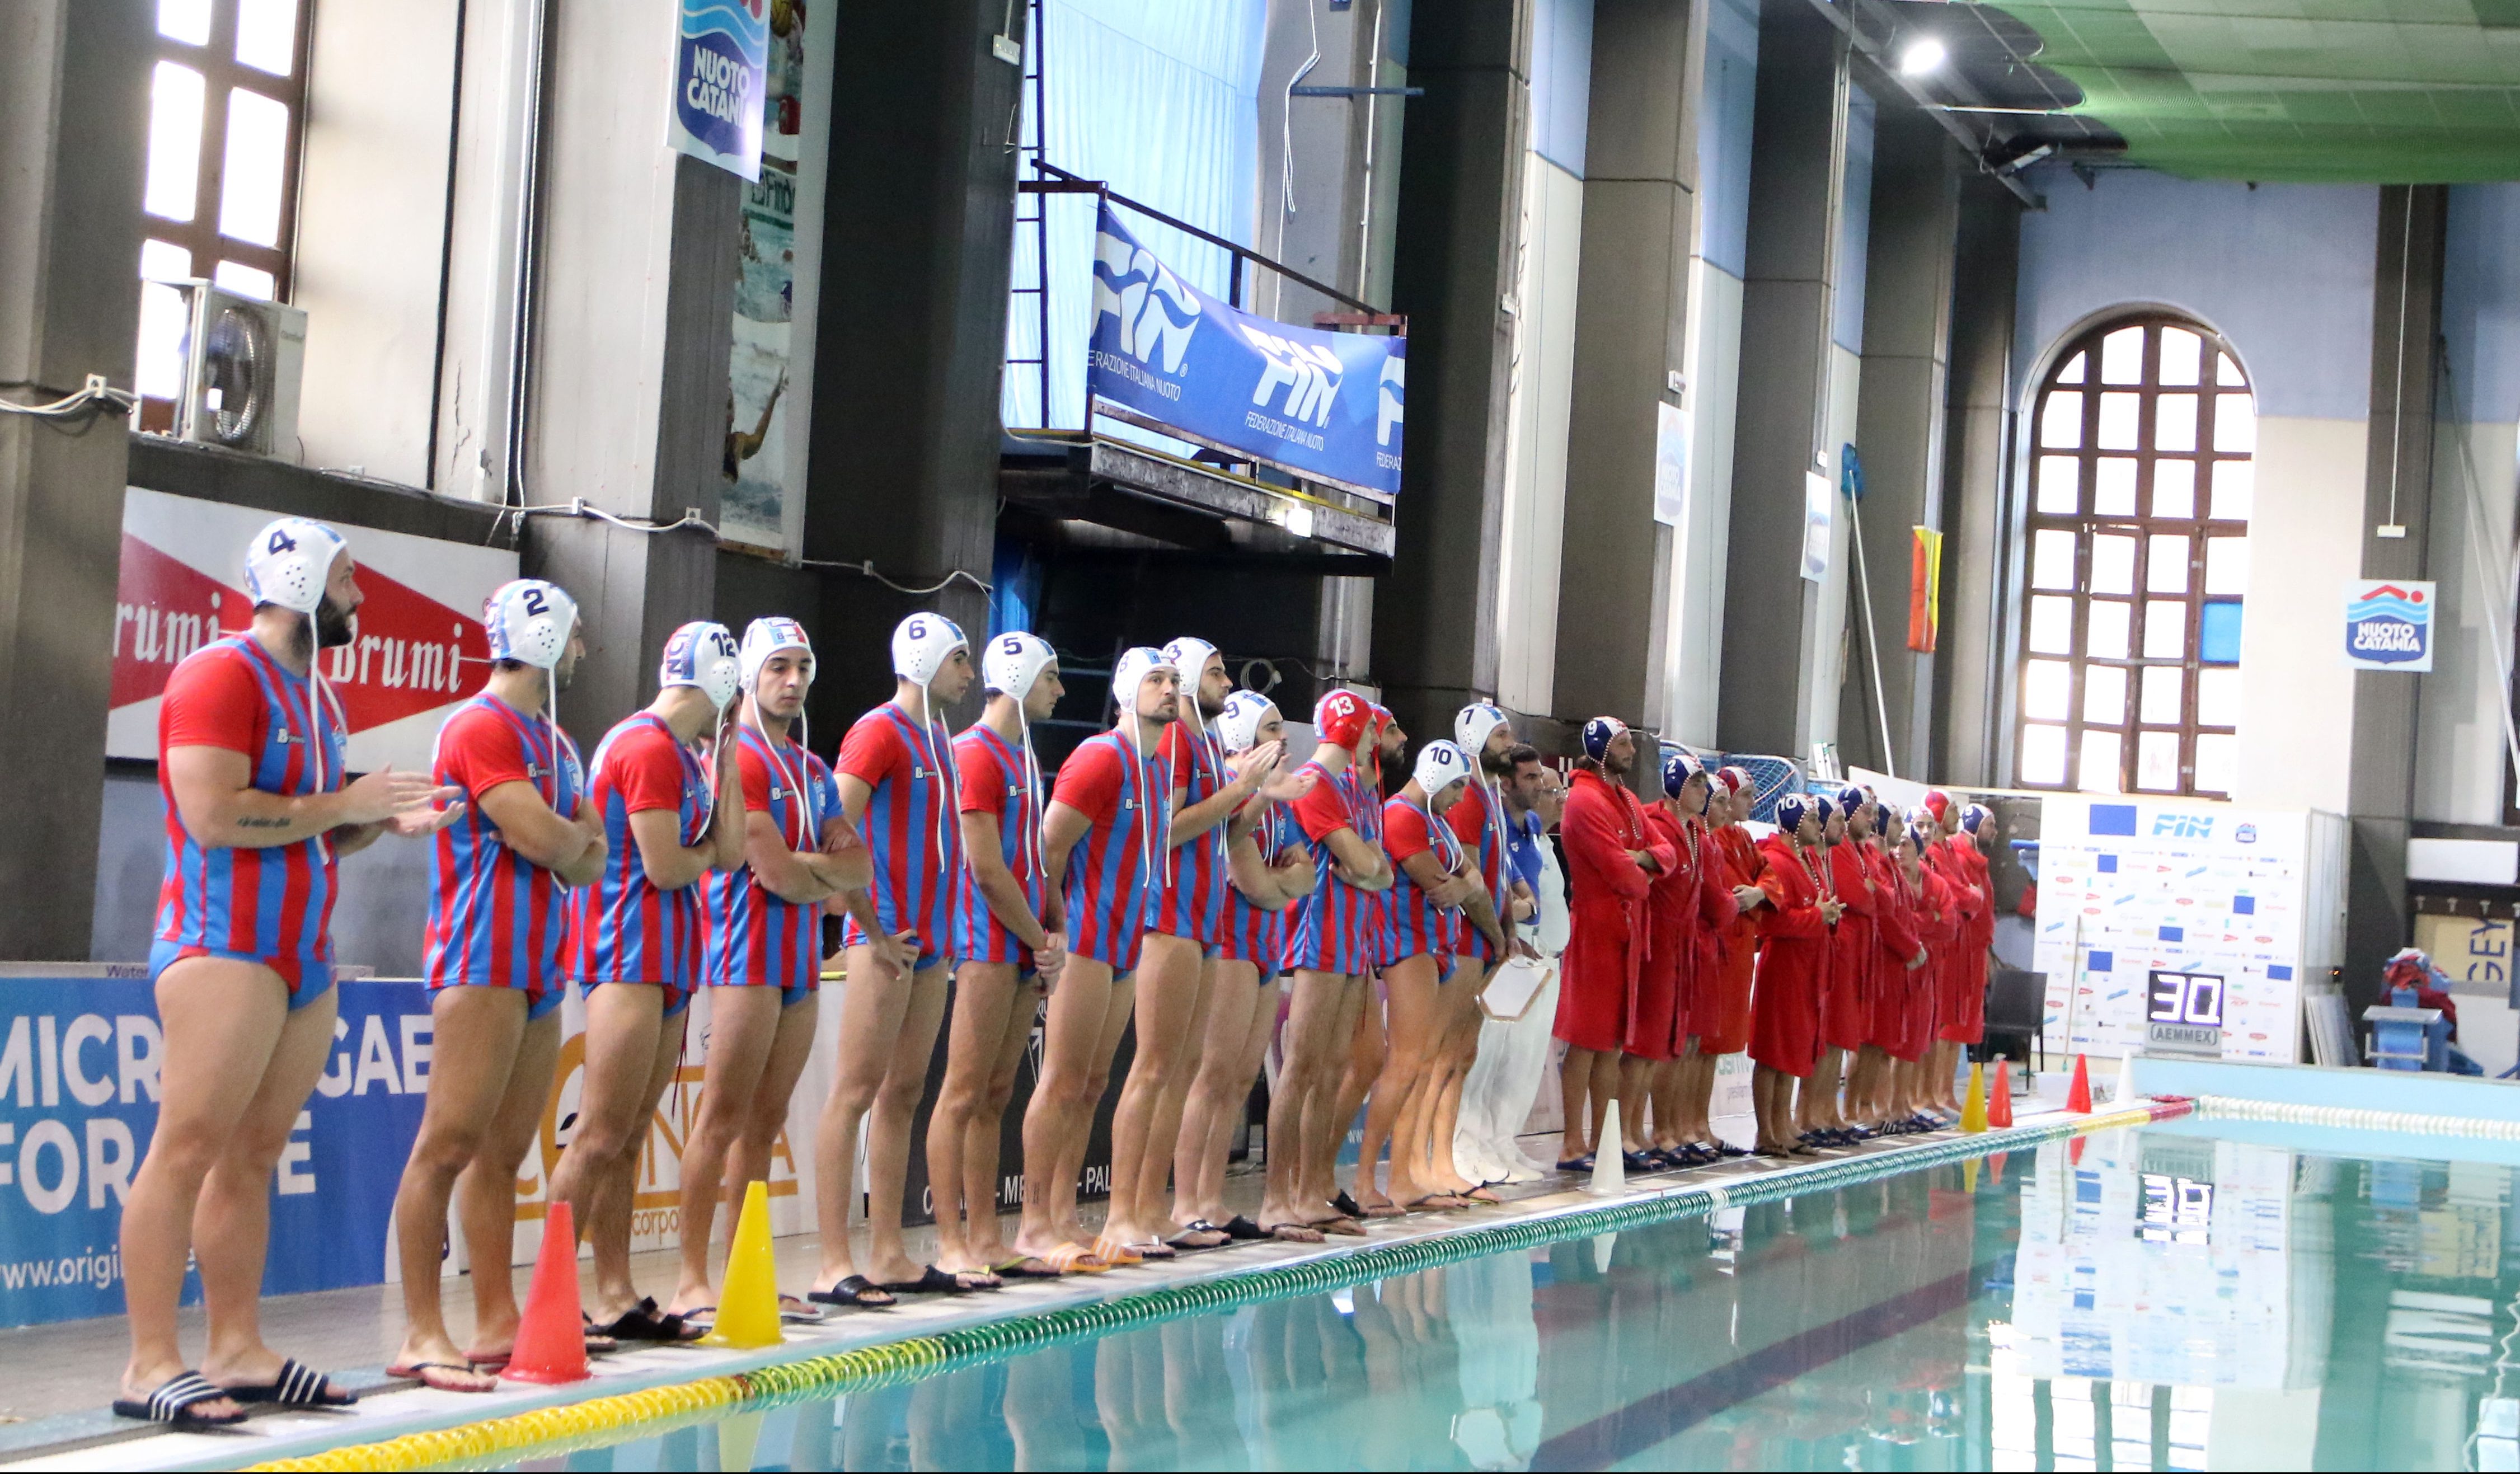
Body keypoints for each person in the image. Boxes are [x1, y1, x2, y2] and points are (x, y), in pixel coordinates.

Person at [119, 518, 458, 1426]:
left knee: (253, 1153)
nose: (362, 597)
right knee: (185, 1146)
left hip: (302, 952)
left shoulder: (317, 694)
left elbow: (311, 820)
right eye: (349, 578)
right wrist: (342, 802)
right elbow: (214, 816)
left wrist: (375, 822)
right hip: (220, 944)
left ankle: (236, 1347)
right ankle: (150, 1360)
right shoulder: (219, 673)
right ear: (305, 578)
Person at [389, 579, 602, 1393]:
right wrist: (567, 843)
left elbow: (590, 852)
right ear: (543, 637)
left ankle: (493, 1320)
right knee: (445, 1145)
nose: (581, 648)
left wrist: (569, 844)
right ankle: (420, 1328)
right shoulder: (480, 725)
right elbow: (548, 835)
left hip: (541, 967)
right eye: (574, 633)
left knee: (504, 1155)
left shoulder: (558, 739)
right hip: (480, 959)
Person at [547, 621, 747, 1340]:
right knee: (599, 1134)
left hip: (667, 961)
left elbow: (726, 852)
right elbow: (669, 866)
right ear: (724, 677)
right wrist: (698, 857)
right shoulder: (645, 746)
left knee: (629, 1136)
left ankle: (615, 1295)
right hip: (624, 954)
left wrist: (725, 755)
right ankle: (549, 1299)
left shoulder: (692, 754)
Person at [674, 618, 864, 1323]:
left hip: (798, 964)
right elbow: (777, 872)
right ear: (750, 674)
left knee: (767, 1121)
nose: (793, 682)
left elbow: (859, 867)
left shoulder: (814, 771)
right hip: (742, 955)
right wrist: (818, 872)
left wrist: (808, 869)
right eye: (779, 667)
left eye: (803, 669)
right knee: (721, 1119)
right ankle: (693, 1280)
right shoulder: (738, 757)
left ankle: (743, 1272)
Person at [814, 613, 987, 1303]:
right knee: (854, 1092)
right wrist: (872, 929)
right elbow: (837, 828)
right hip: (884, 937)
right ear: (922, 661)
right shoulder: (880, 730)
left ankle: (887, 1250)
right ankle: (833, 1260)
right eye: (959, 660)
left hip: (932, 940)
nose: (970, 674)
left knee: (903, 1093)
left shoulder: (940, 739)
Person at [1104, 638, 1290, 1257]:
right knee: (1156, 1068)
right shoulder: (1178, 743)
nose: (1225, 679)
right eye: (1215, 671)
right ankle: (1126, 1215)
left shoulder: (1203, 744)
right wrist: (1241, 792)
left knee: (1179, 1072)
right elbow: (1170, 828)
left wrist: (1256, 793)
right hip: (1170, 920)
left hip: (1202, 921)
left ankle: (1159, 1209)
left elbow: (1221, 828)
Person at [1011, 647, 1178, 1270]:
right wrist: (1052, 929)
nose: (1168, 691)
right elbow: (1049, 847)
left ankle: (1062, 1216)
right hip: (1083, 939)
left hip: (1125, 944)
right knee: (1059, 1082)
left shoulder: (1158, 769)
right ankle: (1032, 1224)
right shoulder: (1101, 757)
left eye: (1173, 682)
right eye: (1156, 681)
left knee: (1091, 1085)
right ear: (1126, 691)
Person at [932, 632, 1067, 1283]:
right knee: (960, 1093)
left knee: (996, 1092)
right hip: (986, 943)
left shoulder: (1023, 758)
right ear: (1018, 679)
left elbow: (1037, 861)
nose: (1060, 691)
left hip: (1020, 944)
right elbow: (985, 869)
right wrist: (1038, 939)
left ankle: (987, 1234)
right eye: (1051, 678)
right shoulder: (975, 754)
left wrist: (1055, 929)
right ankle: (951, 1240)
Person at [1172, 691, 1314, 1242]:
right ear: (1242, 738)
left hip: (1266, 942)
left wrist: (1280, 886)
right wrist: (1281, 886)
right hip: (1230, 942)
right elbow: (1250, 873)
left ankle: (1212, 1198)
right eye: (1271, 729)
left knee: (1238, 1078)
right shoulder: (1232, 790)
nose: (1281, 740)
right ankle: (1187, 1202)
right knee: (1210, 1077)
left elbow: (1304, 875)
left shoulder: (1277, 798)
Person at [1258, 689, 1391, 1239]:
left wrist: (1364, 870)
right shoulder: (1316, 785)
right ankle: (1277, 1198)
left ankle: (1313, 1190)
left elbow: (1379, 872)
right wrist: (1363, 869)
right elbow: (1367, 862)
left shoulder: (1360, 789)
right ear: (1364, 731)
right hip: (1318, 940)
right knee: (1302, 1070)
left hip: (1352, 941)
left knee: (1331, 1069)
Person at [1355, 739, 1500, 1212]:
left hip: (1435, 949)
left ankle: (1403, 1178)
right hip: (1407, 948)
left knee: (1418, 1065)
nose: (1461, 798)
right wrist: (1462, 884)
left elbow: (1471, 881)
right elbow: (1441, 887)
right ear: (1437, 778)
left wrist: (1463, 884)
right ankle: (1364, 1182)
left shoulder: (1436, 822)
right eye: (1457, 786)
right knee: (1405, 1064)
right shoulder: (1400, 815)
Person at [1553, 717, 1670, 1169]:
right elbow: (1625, 878)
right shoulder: (1584, 801)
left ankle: (1604, 1141)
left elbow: (1667, 854)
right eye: (1623, 744)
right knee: (1585, 1041)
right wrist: (1643, 869)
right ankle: (1570, 1144)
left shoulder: (1624, 799)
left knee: (1613, 1043)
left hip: (1626, 933)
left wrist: (1642, 858)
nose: (1632, 751)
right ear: (1601, 749)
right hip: (1596, 933)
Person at [1453, 748, 1561, 1182]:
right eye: (1531, 777)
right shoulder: (1491, 816)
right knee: (1486, 1055)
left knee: (1519, 1058)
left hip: (1530, 948)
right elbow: (1498, 888)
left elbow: (1522, 887)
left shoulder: (1531, 826)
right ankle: (1467, 1143)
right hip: (1504, 947)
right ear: (1509, 782)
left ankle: (1501, 1142)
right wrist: (1513, 915)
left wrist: (1522, 906)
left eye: (1542, 778)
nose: (1539, 786)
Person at [1747, 794, 1840, 1157]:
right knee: (1772, 1052)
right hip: (1783, 967)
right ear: (1795, 822)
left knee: (1793, 1050)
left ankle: (1782, 1125)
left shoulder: (1808, 861)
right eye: (1814, 819)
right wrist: (1817, 917)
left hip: (1806, 967)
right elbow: (1771, 922)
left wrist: (1826, 915)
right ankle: (1765, 1132)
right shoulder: (1775, 863)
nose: (1820, 825)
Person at [1808, 785, 1878, 1147]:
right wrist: (1870, 892)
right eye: (1866, 812)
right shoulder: (1836, 855)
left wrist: (1872, 891)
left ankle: (1825, 1112)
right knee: (1828, 1038)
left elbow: (1876, 894)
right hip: (1837, 953)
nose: (1873, 819)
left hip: (1850, 954)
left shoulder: (1856, 852)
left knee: (1838, 1040)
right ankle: (1810, 1113)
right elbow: (1859, 896)